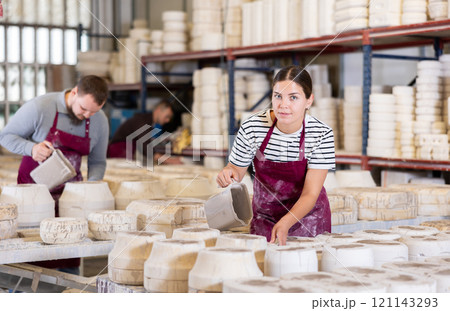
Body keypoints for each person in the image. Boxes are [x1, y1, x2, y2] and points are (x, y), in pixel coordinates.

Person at [0, 75, 109, 272]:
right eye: (83, 109)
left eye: (94, 112)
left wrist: (92, 189)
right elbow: (5, 136)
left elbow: (98, 161)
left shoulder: (99, 121)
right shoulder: (41, 107)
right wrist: (31, 148)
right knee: (30, 264)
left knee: (69, 260)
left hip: (71, 200)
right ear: (74, 92)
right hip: (34, 199)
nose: (87, 116)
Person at [216, 65, 335, 245]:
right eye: (277, 96)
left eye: (293, 97)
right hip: (266, 217)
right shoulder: (252, 127)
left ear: (309, 101)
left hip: (309, 219)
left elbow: (310, 193)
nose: (283, 105)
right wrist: (228, 172)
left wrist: (286, 222)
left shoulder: (321, 134)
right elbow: (237, 170)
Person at [107, 100, 179, 163]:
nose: (168, 120)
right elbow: (146, 148)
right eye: (167, 116)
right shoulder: (143, 122)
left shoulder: (149, 122)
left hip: (126, 149)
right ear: (158, 110)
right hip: (118, 149)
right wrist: (171, 161)